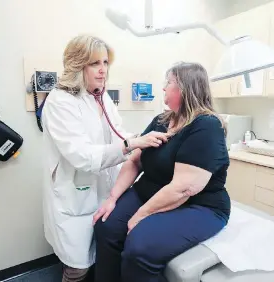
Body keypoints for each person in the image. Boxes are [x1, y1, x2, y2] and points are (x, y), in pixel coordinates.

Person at [41, 35, 169, 282]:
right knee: (77, 268)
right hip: (74, 192)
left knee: (101, 254)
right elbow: (81, 155)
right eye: (94, 63)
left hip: (104, 189)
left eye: (105, 62)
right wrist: (132, 144)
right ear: (78, 65)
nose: (103, 70)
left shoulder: (100, 96)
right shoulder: (60, 101)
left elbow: (118, 133)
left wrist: (145, 140)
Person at [93, 62, 231, 282]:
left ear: (184, 89)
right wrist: (112, 198)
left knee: (140, 247)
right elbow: (135, 161)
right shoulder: (161, 120)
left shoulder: (206, 126)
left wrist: (140, 215)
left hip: (197, 205)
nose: (164, 87)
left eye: (169, 82)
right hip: (150, 191)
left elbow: (184, 188)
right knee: (106, 226)